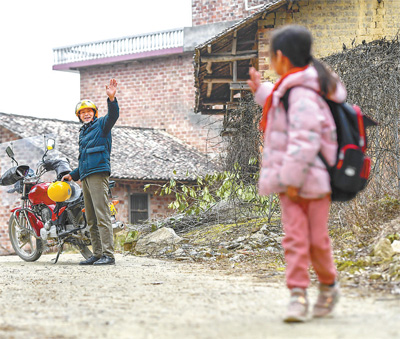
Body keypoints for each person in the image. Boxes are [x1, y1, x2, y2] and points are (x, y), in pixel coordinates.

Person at [247, 25, 346, 322]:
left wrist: (290, 180)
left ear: (281, 57)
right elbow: (281, 109)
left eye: (269, 56)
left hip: (309, 182)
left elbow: (305, 138)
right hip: (296, 181)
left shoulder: (302, 92)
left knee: (317, 241)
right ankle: (298, 295)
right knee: (296, 239)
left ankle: (328, 285)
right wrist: (261, 90)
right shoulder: (293, 88)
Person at [62, 79, 119, 266]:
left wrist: (111, 98)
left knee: (102, 215)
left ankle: (108, 255)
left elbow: (113, 116)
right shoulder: (83, 133)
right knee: (91, 218)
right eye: (82, 113)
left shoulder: (102, 125)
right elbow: (85, 159)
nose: (86, 114)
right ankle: (97, 253)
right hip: (86, 176)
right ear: (79, 116)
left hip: (98, 174)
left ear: (94, 113)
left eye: (89, 111)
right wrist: (73, 175)